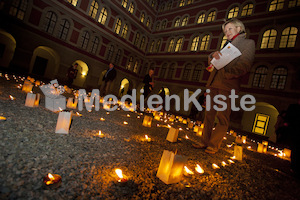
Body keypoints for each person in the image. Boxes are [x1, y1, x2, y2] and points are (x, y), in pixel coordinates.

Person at [193, 18, 255, 154]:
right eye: (225, 31)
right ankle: (204, 141)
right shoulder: (227, 44)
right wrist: (212, 56)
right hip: (214, 83)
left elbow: (245, 65)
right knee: (208, 115)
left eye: (230, 29)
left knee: (222, 116)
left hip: (228, 85)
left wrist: (227, 73)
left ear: (239, 28)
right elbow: (212, 66)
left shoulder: (248, 43)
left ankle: (214, 144)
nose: (227, 33)